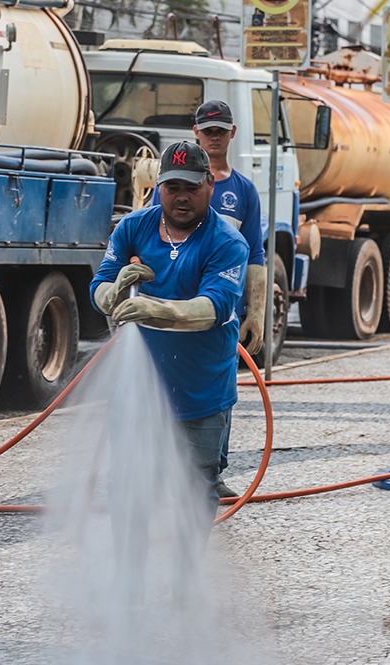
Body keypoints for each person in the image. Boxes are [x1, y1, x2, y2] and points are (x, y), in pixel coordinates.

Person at [90, 141, 249, 519]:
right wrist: (112, 294)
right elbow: (98, 286)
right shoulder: (133, 227)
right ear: (158, 186)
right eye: (172, 187)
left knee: (196, 493)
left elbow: (212, 308)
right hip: (138, 392)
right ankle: (128, 575)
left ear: (210, 185)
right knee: (128, 491)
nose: (181, 197)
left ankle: (187, 574)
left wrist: (154, 309)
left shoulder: (226, 242)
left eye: (191, 188)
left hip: (201, 393)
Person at [152, 99, 265, 499]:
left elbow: (256, 253)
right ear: (196, 131)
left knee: (220, 392)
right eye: (207, 130)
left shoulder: (243, 191)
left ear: (231, 134)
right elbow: (151, 236)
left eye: (221, 130)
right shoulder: (169, 185)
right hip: (173, 311)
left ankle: (212, 472)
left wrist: (257, 314)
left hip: (219, 315)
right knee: (169, 389)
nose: (214, 136)